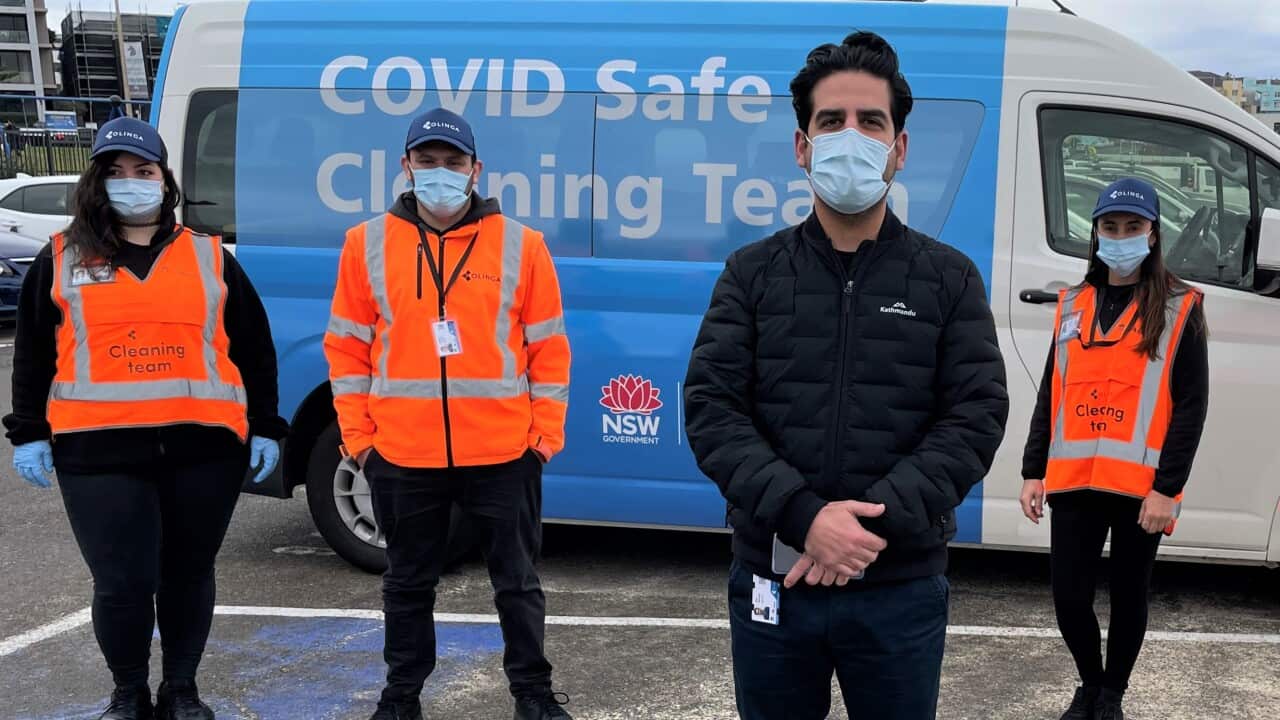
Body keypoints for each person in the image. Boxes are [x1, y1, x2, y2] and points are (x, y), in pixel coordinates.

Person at [683, 32, 1009, 720]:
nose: (850, 137)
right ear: (802, 146)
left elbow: (975, 416)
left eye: (871, 122)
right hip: (774, 581)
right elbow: (713, 409)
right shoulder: (752, 274)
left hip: (899, 590)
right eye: (831, 121)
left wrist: (860, 533)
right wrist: (806, 518)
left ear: (900, 148)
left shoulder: (948, 279)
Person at [4, 116, 286, 720]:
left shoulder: (211, 259)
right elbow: (31, 355)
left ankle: (180, 689)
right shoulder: (60, 259)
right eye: (115, 173)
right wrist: (27, 432)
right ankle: (128, 691)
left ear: (165, 181)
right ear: (95, 183)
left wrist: (267, 424)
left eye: (143, 171)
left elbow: (254, 349)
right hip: (96, 453)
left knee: (188, 576)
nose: (131, 184)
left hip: (203, 451)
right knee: (123, 585)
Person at [324, 108, 572, 720]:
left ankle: (533, 696)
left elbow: (548, 349)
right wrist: (360, 439)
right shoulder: (366, 244)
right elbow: (348, 348)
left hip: (504, 453)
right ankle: (401, 698)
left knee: (516, 585)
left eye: (453, 161)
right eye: (427, 160)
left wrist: (542, 438)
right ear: (406, 167)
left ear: (475, 169)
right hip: (403, 455)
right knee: (407, 586)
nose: (440, 172)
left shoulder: (522, 244)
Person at [1020, 178, 1208, 720]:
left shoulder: (1178, 307)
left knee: (1129, 598)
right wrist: (1034, 470)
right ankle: (1090, 680)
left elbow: (1190, 406)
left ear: (1152, 235)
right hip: (1075, 480)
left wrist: (1167, 489)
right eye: (1110, 227)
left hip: (1138, 488)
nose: (1120, 237)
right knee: (1069, 599)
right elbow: (1051, 391)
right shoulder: (1074, 303)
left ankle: (1110, 697)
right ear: (1095, 232)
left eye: (1132, 227)